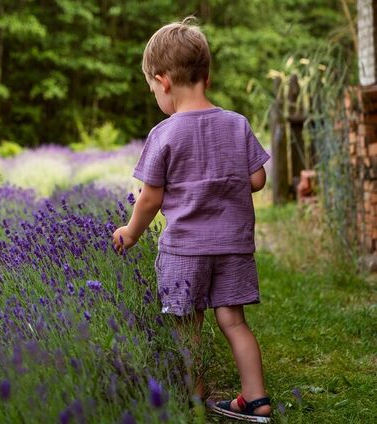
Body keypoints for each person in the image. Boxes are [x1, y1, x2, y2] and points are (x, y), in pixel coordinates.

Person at [112, 17, 272, 423]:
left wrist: (131, 232)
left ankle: (196, 401)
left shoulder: (164, 134)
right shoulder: (237, 124)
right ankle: (256, 400)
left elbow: (150, 197)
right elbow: (257, 179)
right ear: (208, 75)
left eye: (152, 88)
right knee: (233, 321)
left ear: (163, 81)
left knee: (188, 327)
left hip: (186, 249)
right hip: (233, 244)